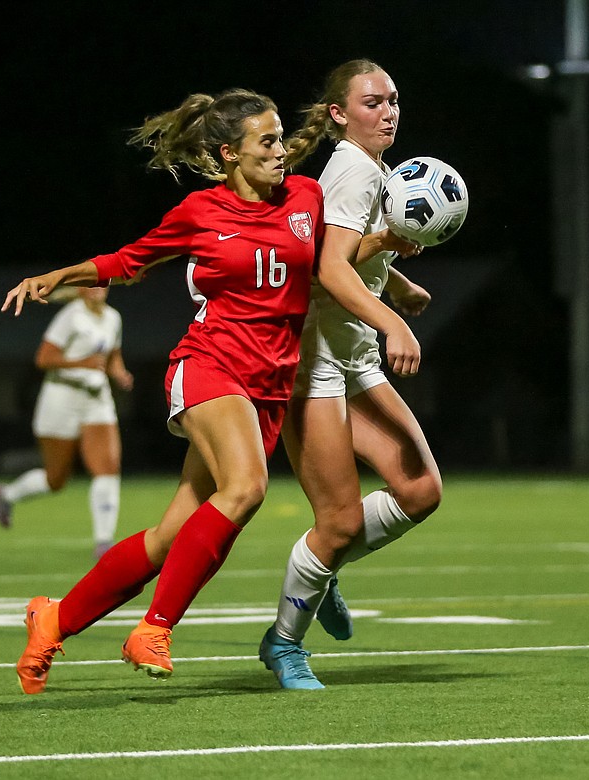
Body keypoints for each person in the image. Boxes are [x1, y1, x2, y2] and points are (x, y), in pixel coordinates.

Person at [0, 87, 421, 694]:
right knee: (246, 487)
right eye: (267, 142)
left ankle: (53, 620)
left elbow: (330, 262)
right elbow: (129, 261)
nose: (282, 153)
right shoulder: (201, 212)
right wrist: (57, 276)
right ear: (229, 154)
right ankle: (154, 629)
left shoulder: (306, 197)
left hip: (269, 386)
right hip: (209, 365)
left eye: (281, 139)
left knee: (173, 535)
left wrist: (390, 266)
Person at [258, 59, 443, 690]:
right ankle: (284, 644)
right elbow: (329, 271)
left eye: (393, 100)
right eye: (372, 102)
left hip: (351, 355)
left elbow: (340, 253)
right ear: (339, 113)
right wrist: (395, 321)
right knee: (336, 521)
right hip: (313, 361)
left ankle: (322, 566)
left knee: (420, 490)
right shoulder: (353, 171)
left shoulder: (374, 170)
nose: (387, 112)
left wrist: (398, 276)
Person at [0, 285, 134, 561]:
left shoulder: (112, 317)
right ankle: (8, 495)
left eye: (102, 282)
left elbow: (112, 356)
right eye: (90, 283)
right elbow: (44, 358)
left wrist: (120, 374)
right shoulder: (71, 316)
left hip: (96, 399)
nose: (97, 288)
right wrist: (83, 364)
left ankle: (104, 543)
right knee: (55, 479)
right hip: (61, 399)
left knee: (108, 468)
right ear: (80, 289)